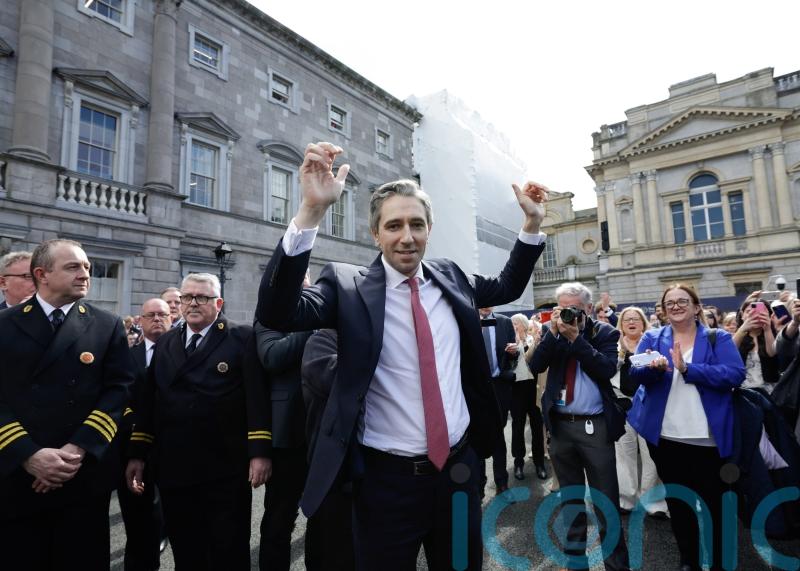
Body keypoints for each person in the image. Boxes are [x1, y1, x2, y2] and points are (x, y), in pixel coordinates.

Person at [255, 141, 548, 570]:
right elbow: (278, 311)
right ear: (376, 234)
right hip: (384, 482)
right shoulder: (347, 286)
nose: (406, 237)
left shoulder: (452, 277)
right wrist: (311, 213)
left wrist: (531, 225)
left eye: (416, 224)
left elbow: (506, 286)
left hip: (459, 472)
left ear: (430, 228)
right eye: (393, 226)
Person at [0, 239, 134, 570]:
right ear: (41, 274)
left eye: (87, 267)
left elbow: (119, 390)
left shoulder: (106, 325)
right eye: (73, 267)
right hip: (18, 474)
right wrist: (29, 454)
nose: (85, 274)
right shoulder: (5, 324)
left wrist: (76, 450)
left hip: (81, 475)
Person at [126, 273, 272, 571]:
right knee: (186, 547)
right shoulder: (167, 342)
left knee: (227, 548)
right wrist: (138, 453)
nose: (193, 303)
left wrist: (259, 452)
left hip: (224, 467)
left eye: (202, 298)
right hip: (175, 465)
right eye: (187, 297)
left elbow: (257, 397)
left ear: (218, 303)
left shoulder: (241, 337)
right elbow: (149, 401)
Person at [628, 284, 745, 571]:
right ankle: (688, 562)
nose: (676, 306)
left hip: (709, 441)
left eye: (682, 301)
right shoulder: (652, 337)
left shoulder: (719, 339)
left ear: (696, 307)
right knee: (679, 505)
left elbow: (735, 374)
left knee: (715, 507)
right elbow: (635, 373)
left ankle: (718, 563)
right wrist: (653, 369)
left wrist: (688, 369)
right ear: (664, 310)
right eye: (670, 303)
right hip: (666, 439)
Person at [529, 282, 630, 571]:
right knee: (570, 500)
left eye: (572, 308)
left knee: (605, 502)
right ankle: (576, 562)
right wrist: (553, 334)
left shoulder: (605, 333)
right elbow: (536, 365)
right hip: (560, 427)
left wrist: (577, 340)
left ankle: (617, 565)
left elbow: (605, 369)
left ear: (588, 308)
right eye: (561, 308)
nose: (567, 314)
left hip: (594, 426)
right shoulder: (555, 334)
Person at [255, 270, 314, 571]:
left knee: (326, 519)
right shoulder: (267, 318)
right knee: (279, 519)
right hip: (287, 437)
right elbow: (273, 357)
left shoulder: (325, 312)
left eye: (301, 281)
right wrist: (313, 322)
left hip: (325, 435)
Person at [118, 298, 171, 571]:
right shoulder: (125, 356)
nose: (157, 319)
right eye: (150, 315)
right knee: (140, 527)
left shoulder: (186, 352)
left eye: (163, 314)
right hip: (134, 447)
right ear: (140, 320)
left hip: (176, 449)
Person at [300, 329, 356, 571]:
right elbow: (331, 378)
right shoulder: (323, 338)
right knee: (330, 551)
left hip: (376, 468)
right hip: (334, 470)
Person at [610, 306, 668, 519]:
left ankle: (654, 501)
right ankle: (627, 499)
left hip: (648, 406)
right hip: (622, 405)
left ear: (643, 322)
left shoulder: (653, 342)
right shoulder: (614, 344)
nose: (631, 322)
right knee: (624, 454)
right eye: (627, 320)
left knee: (651, 455)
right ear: (621, 324)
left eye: (636, 319)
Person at [479, 306, 518, 495]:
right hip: (475, 387)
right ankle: (479, 483)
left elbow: (514, 356)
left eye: (490, 301)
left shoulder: (504, 321)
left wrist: (514, 351)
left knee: (497, 432)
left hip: (500, 384)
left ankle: (501, 482)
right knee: (476, 433)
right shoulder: (467, 319)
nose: (486, 304)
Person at [509, 313, 547, 480]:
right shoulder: (510, 343)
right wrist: (517, 342)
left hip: (533, 388)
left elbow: (532, 361)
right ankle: (518, 463)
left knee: (537, 426)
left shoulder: (534, 341)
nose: (513, 326)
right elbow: (516, 360)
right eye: (513, 323)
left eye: (516, 323)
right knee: (517, 427)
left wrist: (534, 341)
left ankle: (539, 462)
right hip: (516, 389)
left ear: (524, 325)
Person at [732, 297, 780, 392]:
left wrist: (767, 328)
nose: (755, 315)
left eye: (760, 312)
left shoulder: (774, 335)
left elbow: (771, 353)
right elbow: (728, 352)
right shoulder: (735, 337)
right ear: (742, 315)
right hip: (743, 392)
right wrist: (743, 328)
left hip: (769, 392)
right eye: (749, 312)